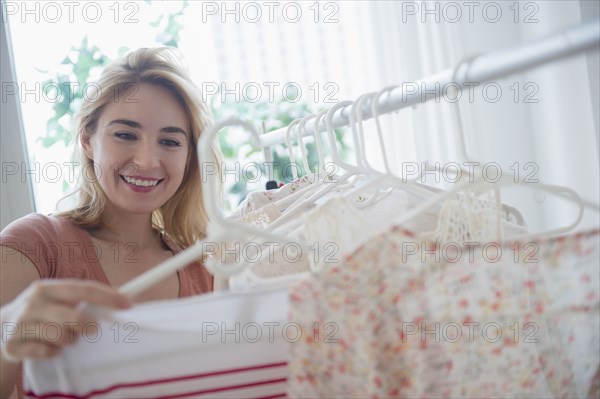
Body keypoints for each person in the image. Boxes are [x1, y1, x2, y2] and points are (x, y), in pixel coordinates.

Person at [0, 47, 222, 398]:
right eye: (125, 134)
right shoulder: (34, 245)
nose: (148, 161)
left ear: (189, 156)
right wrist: (6, 344)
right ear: (88, 141)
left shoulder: (207, 270)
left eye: (169, 141)